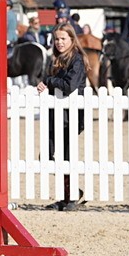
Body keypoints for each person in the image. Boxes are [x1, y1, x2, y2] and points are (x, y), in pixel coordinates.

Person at [37, 23, 87, 211]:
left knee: (67, 156)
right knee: (48, 156)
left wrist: (48, 82)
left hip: (71, 116)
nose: (59, 42)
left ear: (72, 40)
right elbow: (48, 81)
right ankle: (70, 193)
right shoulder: (55, 59)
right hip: (56, 115)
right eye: (56, 39)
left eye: (63, 39)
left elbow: (69, 86)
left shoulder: (77, 60)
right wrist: (44, 84)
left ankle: (71, 197)